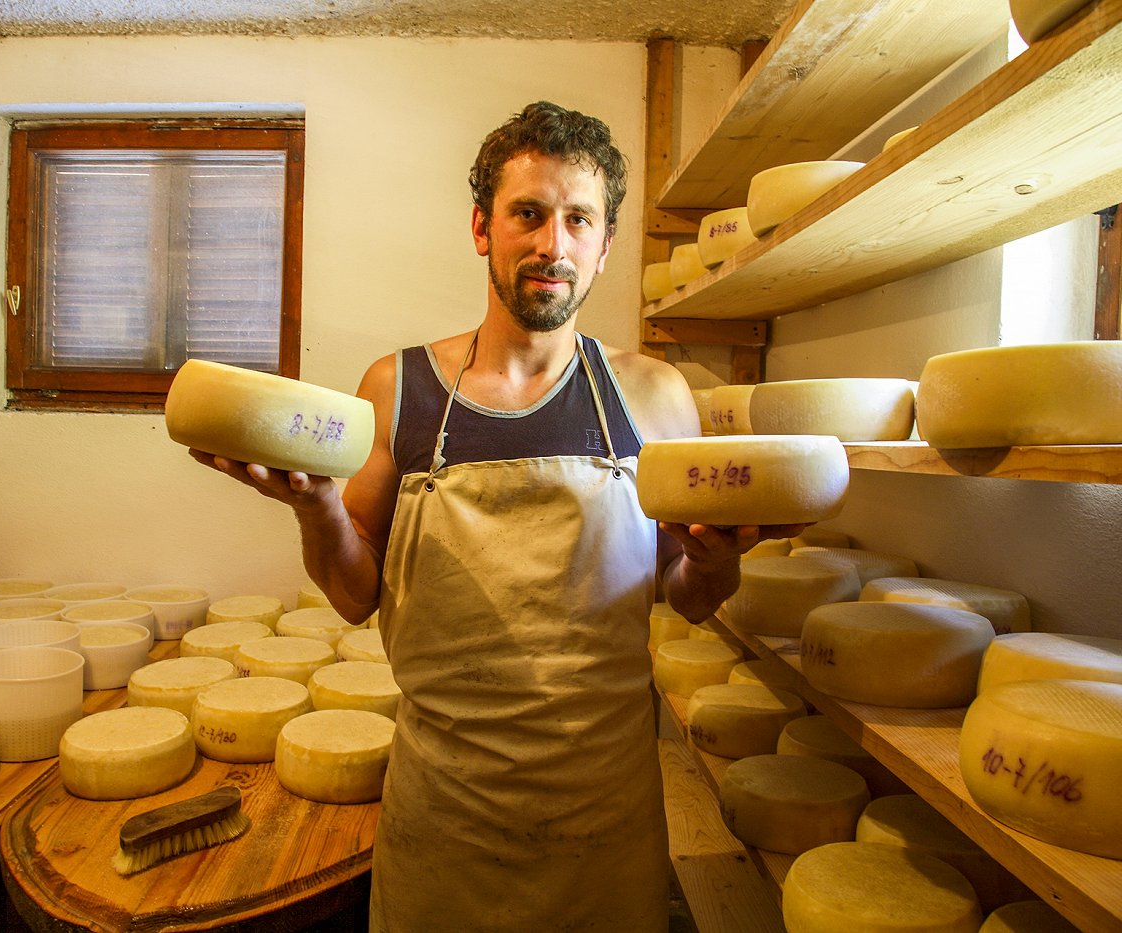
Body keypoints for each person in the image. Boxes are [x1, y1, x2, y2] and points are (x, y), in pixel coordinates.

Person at [192, 101, 803, 932]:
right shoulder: (396, 387)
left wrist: (719, 557)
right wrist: (318, 508)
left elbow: (685, 595)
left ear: (604, 244)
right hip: (446, 814)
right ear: (483, 228)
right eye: (529, 214)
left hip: (604, 814)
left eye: (578, 219)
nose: (554, 244)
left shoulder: (652, 395)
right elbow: (352, 592)